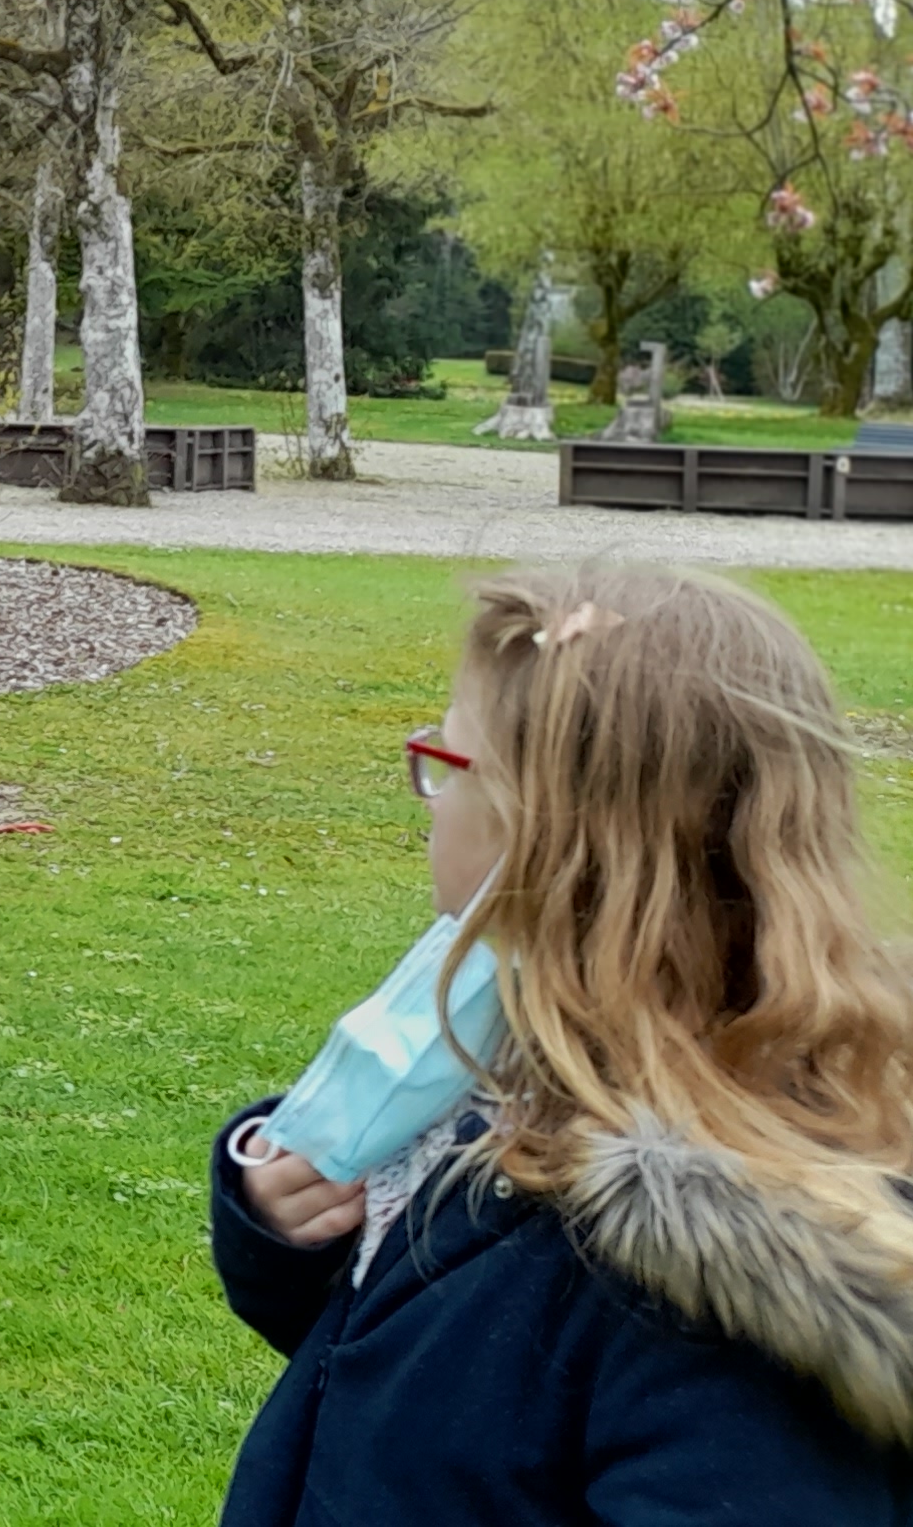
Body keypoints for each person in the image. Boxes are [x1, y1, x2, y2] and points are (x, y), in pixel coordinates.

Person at [210, 561, 913, 1523]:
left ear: (548, 844)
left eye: (447, 762)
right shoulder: (501, 1070)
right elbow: (415, 1359)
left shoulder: (728, 1296)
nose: (429, 795)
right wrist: (286, 1236)